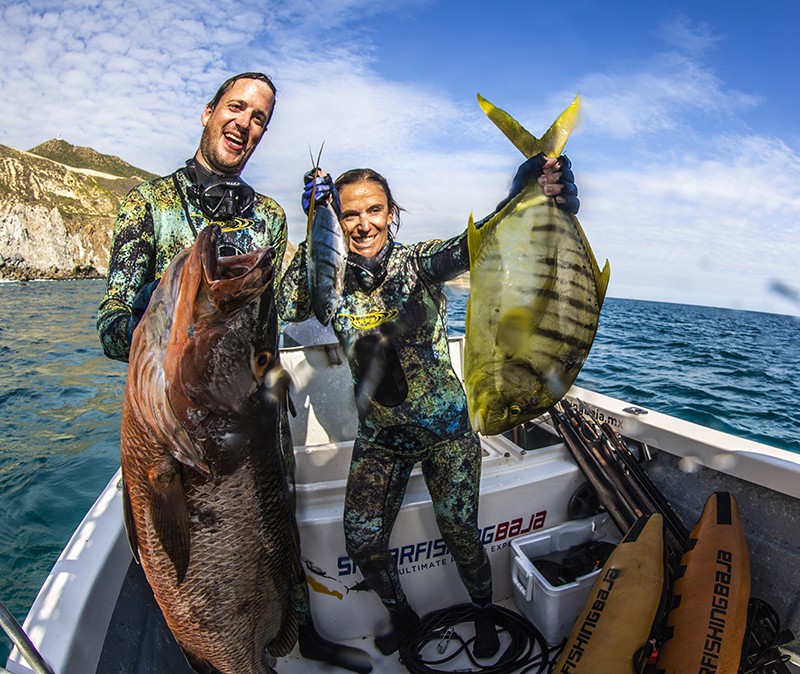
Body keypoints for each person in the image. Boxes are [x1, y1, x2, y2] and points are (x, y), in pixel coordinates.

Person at [97, 72, 370, 674]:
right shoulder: (147, 206)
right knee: (195, 561)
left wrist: (318, 224)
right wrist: (163, 310)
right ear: (208, 112)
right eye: (237, 108)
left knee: (278, 538)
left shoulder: (268, 217)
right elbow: (113, 326)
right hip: (186, 422)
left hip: (255, 420)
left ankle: (302, 639)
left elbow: (280, 317)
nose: (246, 123)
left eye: (260, 118)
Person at [278, 154, 579, 656]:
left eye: (374, 210)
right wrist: (314, 227)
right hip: (381, 437)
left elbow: (478, 242)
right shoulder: (327, 273)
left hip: (447, 433)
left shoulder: (418, 262)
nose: (362, 224)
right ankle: (402, 615)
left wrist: (523, 189)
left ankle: (483, 614)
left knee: (462, 535)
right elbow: (290, 310)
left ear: (392, 212)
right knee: (362, 543)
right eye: (349, 213)